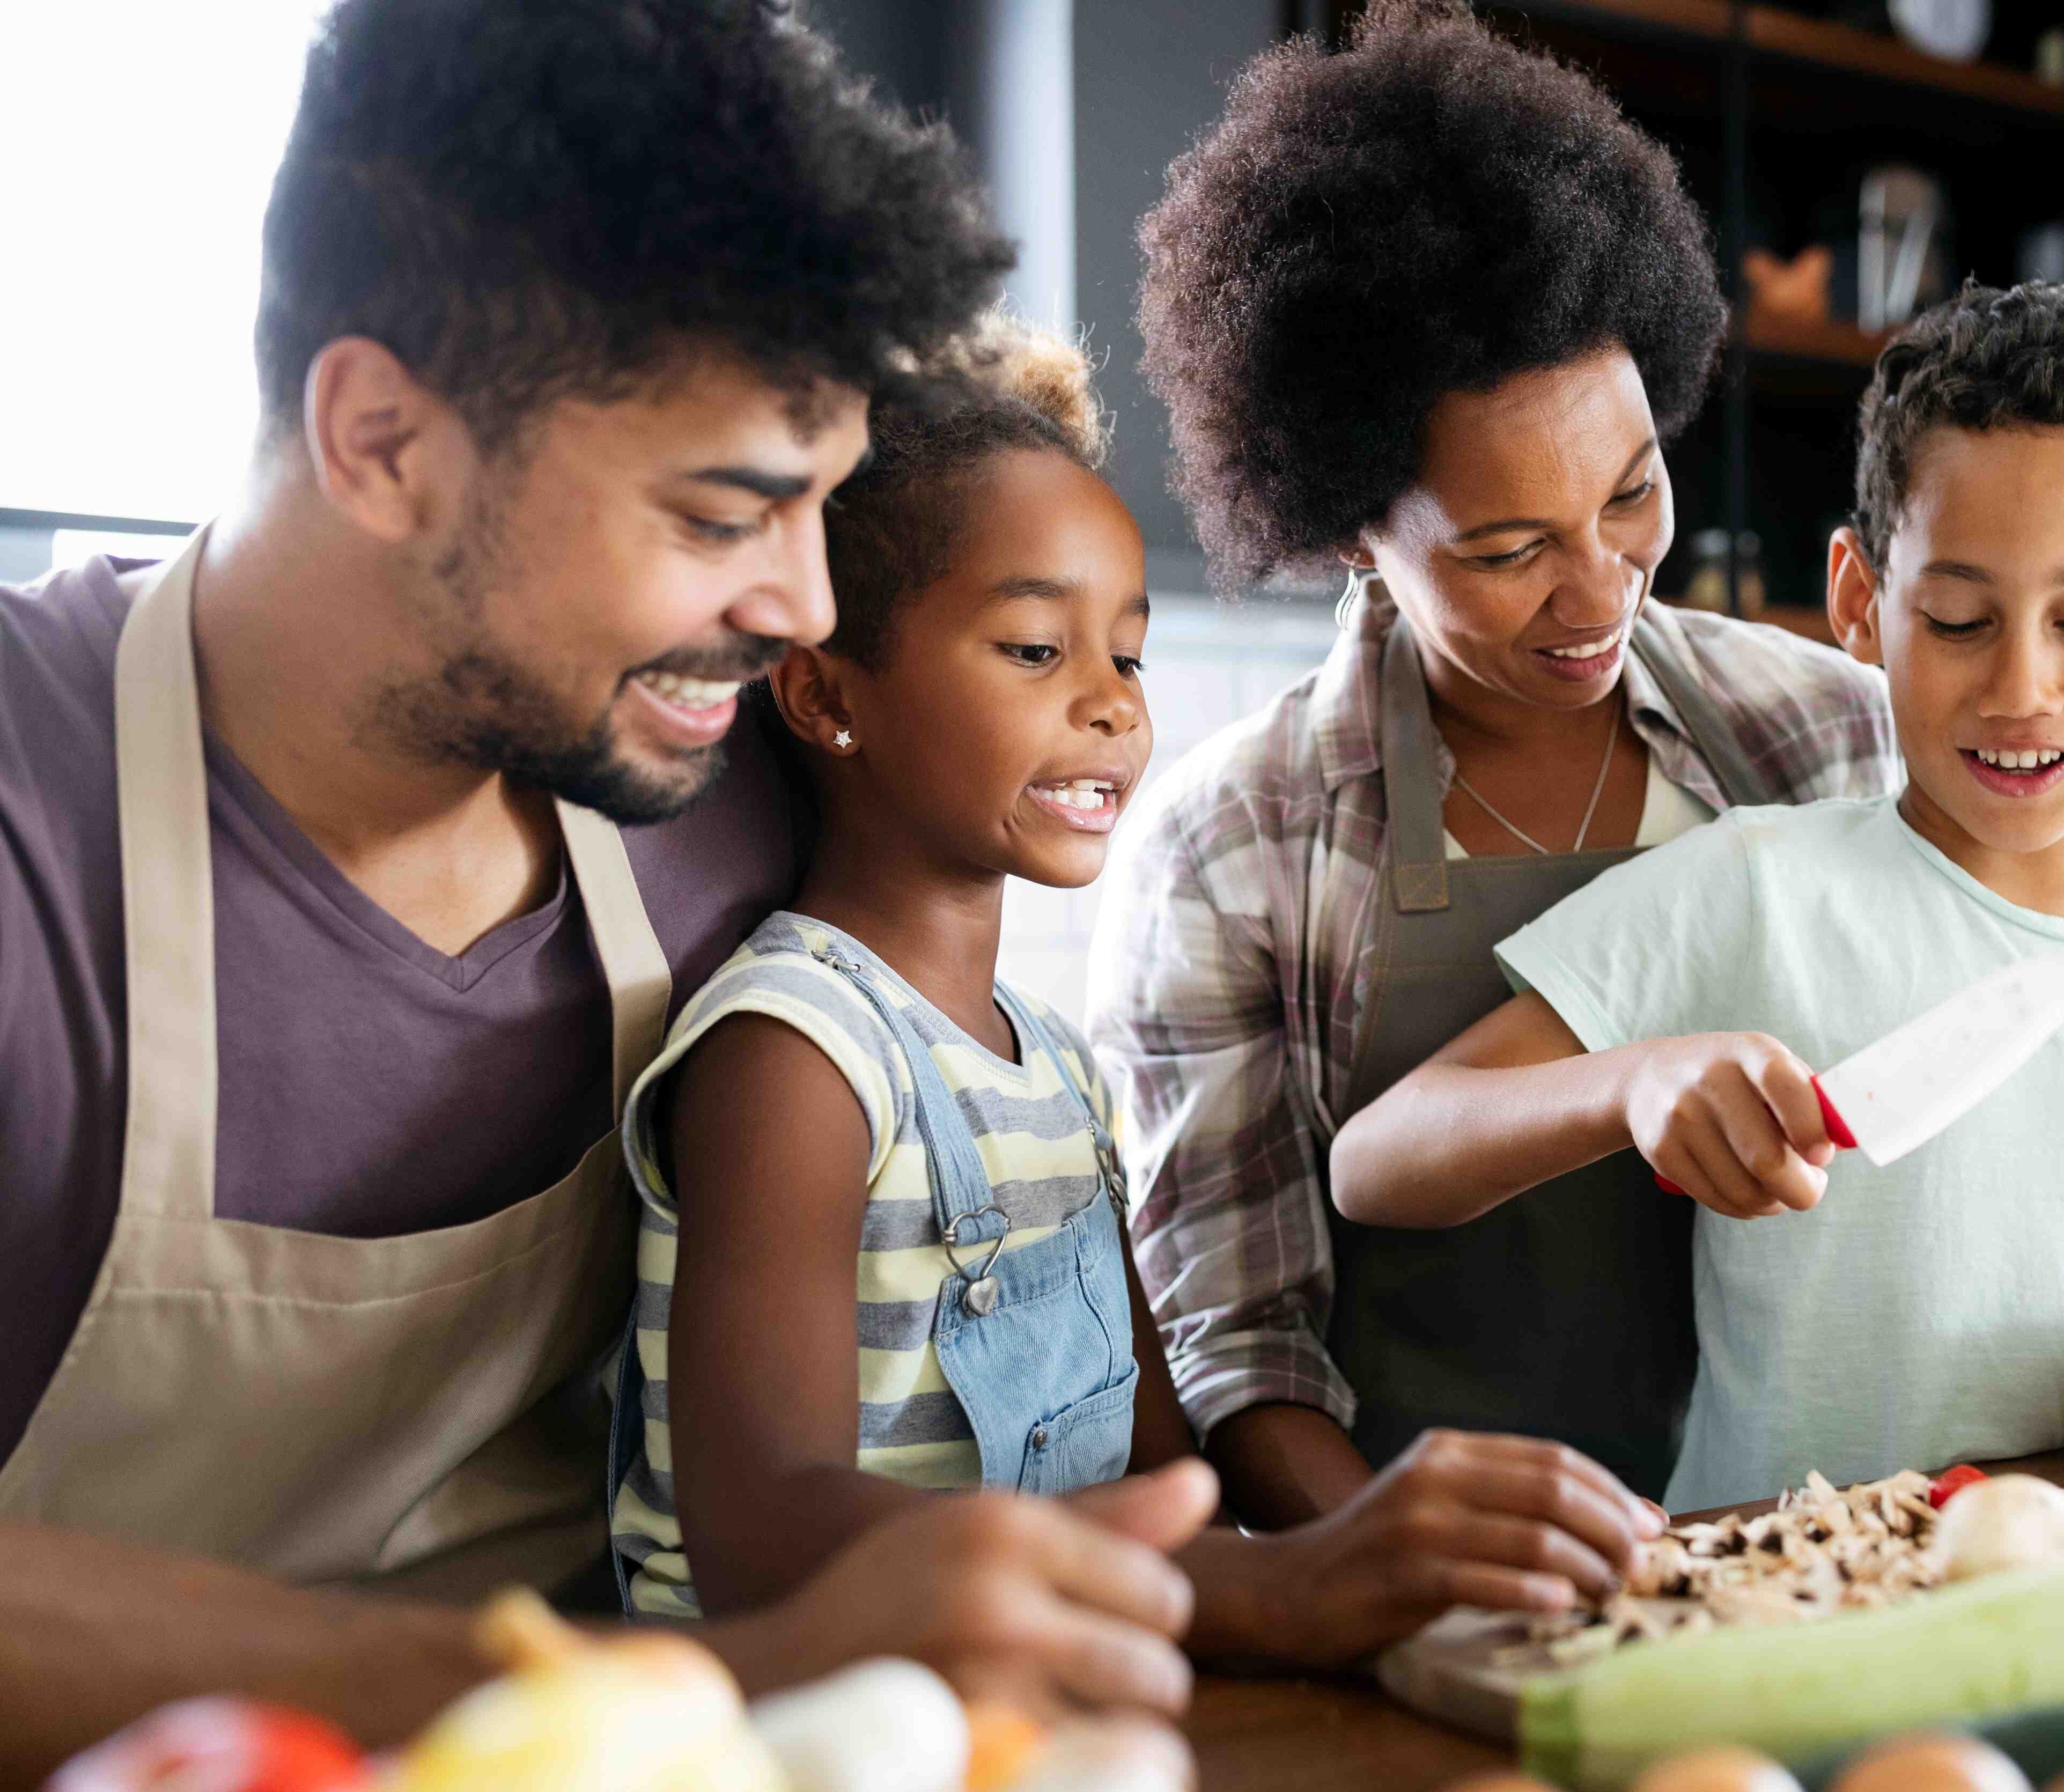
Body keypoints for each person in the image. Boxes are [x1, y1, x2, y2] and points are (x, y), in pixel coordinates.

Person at [0, 2, 1201, 1775]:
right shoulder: (32, 829)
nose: (804, 609)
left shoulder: (728, 778)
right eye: (722, 517)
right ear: (384, 442)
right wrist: (713, 1669)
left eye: (826, 510)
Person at [1328, 282, 2064, 1511]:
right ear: (1860, 601)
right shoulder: (1757, 885)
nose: (2022, 685)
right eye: (1957, 619)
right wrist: (1628, 1085)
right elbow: (1377, 1160)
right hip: (1783, 1588)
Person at [622, 321, 1660, 1662]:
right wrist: (1278, 1593)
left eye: (1129, 654)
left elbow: (1165, 1479)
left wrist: (1361, 1564)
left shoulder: (1051, 1065)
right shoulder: (795, 1058)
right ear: (827, 694)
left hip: (1038, 1708)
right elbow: (761, 1538)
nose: (1115, 707)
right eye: (1036, 652)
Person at [1091, 0, 1901, 1582]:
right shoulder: (1229, 844)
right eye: (1508, 549)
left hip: (1812, 1555)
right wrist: (1393, 1573)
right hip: (1430, 1585)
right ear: (1349, 531)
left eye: (1631, 492)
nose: (1598, 590)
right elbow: (1234, 1339)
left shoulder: (1827, 738)